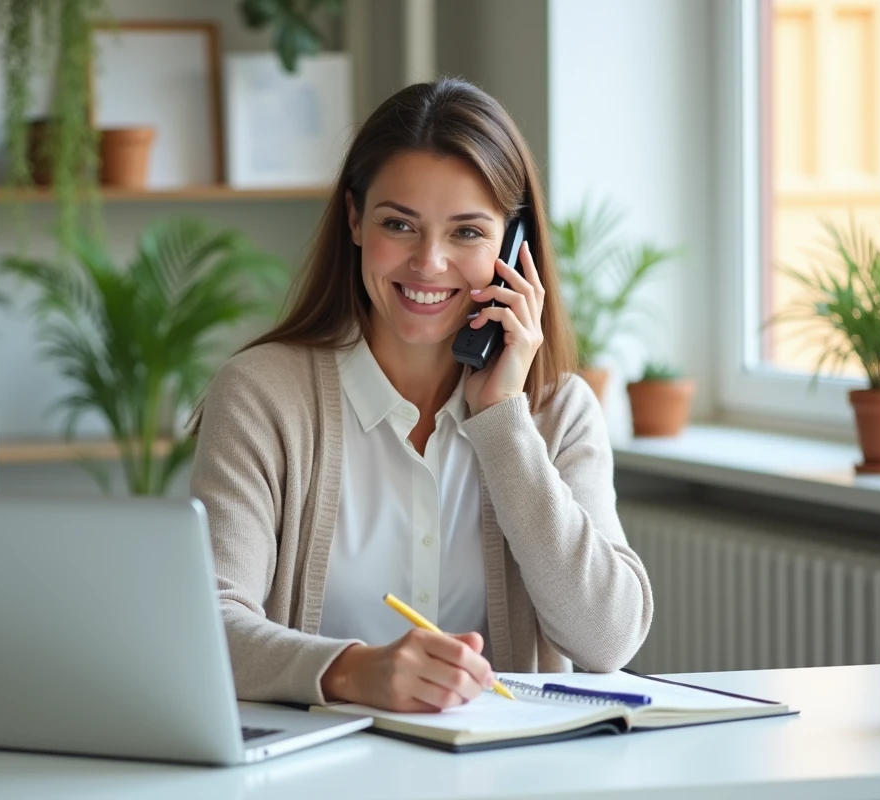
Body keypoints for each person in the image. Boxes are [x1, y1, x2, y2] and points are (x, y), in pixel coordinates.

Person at [189, 77, 653, 713]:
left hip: (501, 764)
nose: (429, 263)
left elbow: (608, 640)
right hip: (316, 761)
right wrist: (352, 672)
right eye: (399, 224)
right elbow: (209, 623)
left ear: (512, 245)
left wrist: (503, 421)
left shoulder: (559, 411)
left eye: (467, 233)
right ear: (355, 220)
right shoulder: (261, 396)